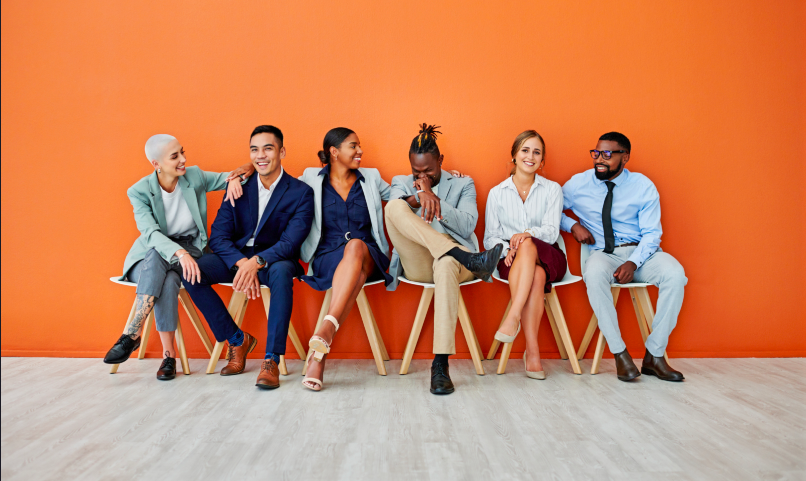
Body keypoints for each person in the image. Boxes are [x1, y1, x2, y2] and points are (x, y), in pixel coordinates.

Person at [103, 134, 253, 380]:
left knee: (168, 278)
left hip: (190, 251)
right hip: (147, 259)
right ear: (156, 164)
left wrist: (237, 176)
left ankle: (135, 338)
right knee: (161, 265)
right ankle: (164, 354)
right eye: (175, 156)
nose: (183, 159)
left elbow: (241, 174)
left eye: (182, 152)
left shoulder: (194, 176)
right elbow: (150, 233)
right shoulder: (139, 191)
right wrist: (178, 253)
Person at [181, 125, 314, 390]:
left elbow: (291, 242)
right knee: (191, 272)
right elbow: (218, 236)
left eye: (268, 148)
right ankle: (237, 339)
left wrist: (257, 262)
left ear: (282, 151)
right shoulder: (238, 186)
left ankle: (271, 359)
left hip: (275, 259)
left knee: (282, 273)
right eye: (254, 149)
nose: (260, 155)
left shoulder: (301, 192)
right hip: (236, 258)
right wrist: (242, 263)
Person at [384, 124, 503, 395]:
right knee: (394, 206)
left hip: (453, 268)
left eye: (429, 170)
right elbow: (396, 215)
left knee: (447, 262)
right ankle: (469, 258)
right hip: (419, 262)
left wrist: (435, 199)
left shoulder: (463, 184)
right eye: (417, 172)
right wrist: (418, 196)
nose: (422, 175)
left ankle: (440, 365)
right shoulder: (400, 183)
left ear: (441, 161)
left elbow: (468, 225)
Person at [562, 131, 686, 382]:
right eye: (596, 153)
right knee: (594, 274)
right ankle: (620, 354)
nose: (599, 159)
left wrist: (633, 262)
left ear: (625, 157)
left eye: (607, 154)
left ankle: (654, 355)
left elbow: (652, 233)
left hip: (642, 253)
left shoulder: (642, 186)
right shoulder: (578, 184)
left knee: (676, 275)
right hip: (603, 254)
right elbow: (548, 208)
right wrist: (572, 225)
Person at [298, 128, 394, 391]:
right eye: (354, 146)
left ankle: (324, 334)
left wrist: (438, 179)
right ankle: (322, 348)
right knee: (355, 274)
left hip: (368, 254)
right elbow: (277, 185)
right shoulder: (310, 178)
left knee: (355, 247)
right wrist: (246, 170)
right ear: (334, 151)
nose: (360, 151)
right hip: (328, 257)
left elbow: (400, 193)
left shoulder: (371, 177)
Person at [484, 130, 566, 380]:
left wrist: (524, 235)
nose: (531, 156)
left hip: (549, 257)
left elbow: (551, 232)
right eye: (525, 150)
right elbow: (490, 237)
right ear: (514, 156)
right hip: (513, 262)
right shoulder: (497, 193)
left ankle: (513, 316)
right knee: (537, 277)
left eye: (537, 152)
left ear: (542, 161)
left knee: (530, 245)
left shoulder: (552, 189)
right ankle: (532, 352)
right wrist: (508, 247)